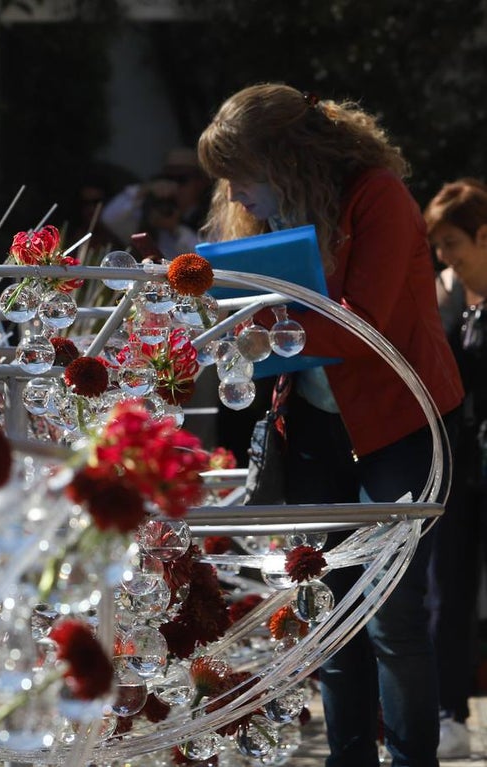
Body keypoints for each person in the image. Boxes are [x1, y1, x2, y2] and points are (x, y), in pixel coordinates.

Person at [197, 83, 465, 767]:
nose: (234, 194)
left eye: (241, 176)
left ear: (286, 159)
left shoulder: (377, 196)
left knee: (392, 615)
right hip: (315, 426)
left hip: (400, 422)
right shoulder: (262, 212)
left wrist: (253, 330)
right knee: (331, 615)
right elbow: (250, 304)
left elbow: (361, 323)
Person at [423, 177, 487, 759]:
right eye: (438, 245)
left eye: (452, 243)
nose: (445, 256)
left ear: (483, 236)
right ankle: (450, 713)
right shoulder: (443, 293)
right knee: (448, 589)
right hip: (458, 463)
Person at [101, 147, 211, 247]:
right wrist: (144, 190)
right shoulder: (150, 210)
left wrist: (175, 229)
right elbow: (109, 218)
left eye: (182, 179)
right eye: (168, 178)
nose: (174, 186)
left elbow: (206, 254)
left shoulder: (209, 217)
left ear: (200, 182)